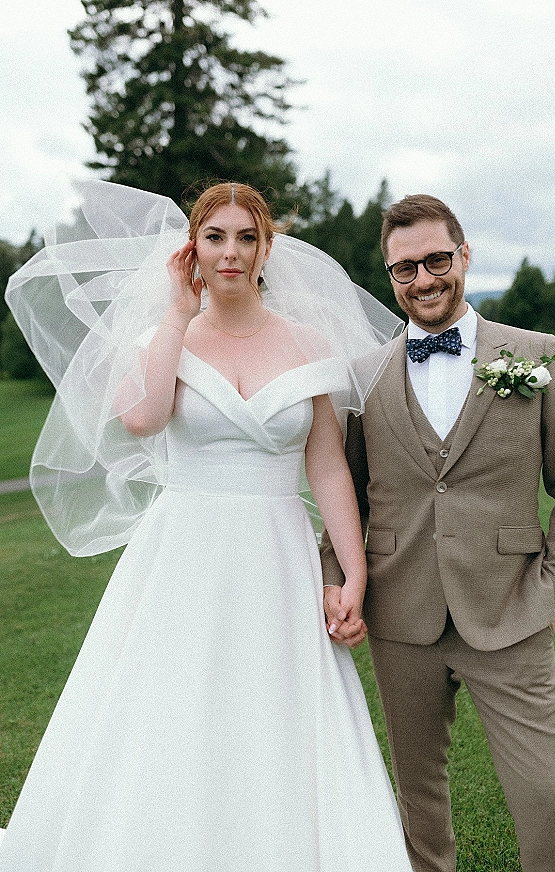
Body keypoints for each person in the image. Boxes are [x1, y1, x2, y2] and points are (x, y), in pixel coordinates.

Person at [0, 180, 412, 871]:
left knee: (271, 717)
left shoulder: (308, 343)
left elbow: (330, 470)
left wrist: (355, 572)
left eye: (246, 237)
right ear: (192, 247)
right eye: (215, 237)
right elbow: (141, 417)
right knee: (169, 710)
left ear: (266, 248)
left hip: (276, 557)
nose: (231, 252)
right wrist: (173, 314)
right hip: (181, 555)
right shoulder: (164, 337)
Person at [322, 193, 555, 872]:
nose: (424, 278)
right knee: (417, 806)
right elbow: (343, 493)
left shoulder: (537, 355)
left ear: (464, 256)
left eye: (437, 259)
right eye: (405, 268)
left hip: (512, 609)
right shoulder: (361, 375)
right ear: (390, 275)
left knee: (554, 798)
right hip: (400, 614)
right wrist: (335, 578)